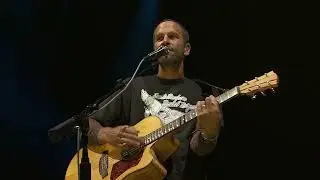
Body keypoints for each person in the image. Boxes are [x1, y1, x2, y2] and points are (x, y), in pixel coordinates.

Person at [87, 19, 223, 180]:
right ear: (154, 49)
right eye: (159, 38)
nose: (164, 41)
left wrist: (210, 133)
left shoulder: (205, 93)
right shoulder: (132, 86)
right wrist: (105, 133)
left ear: (186, 49)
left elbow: (200, 149)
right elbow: (86, 123)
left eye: (172, 36)